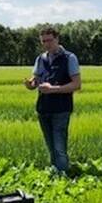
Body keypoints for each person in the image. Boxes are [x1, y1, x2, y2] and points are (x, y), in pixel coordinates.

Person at [24, 27, 81, 174]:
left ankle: (63, 176)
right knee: (50, 145)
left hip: (61, 109)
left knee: (59, 147)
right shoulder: (40, 59)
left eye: (49, 40)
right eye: (43, 41)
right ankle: (56, 172)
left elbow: (76, 84)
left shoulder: (69, 58)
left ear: (57, 39)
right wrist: (30, 84)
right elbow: (35, 80)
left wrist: (53, 89)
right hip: (43, 108)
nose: (47, 44)